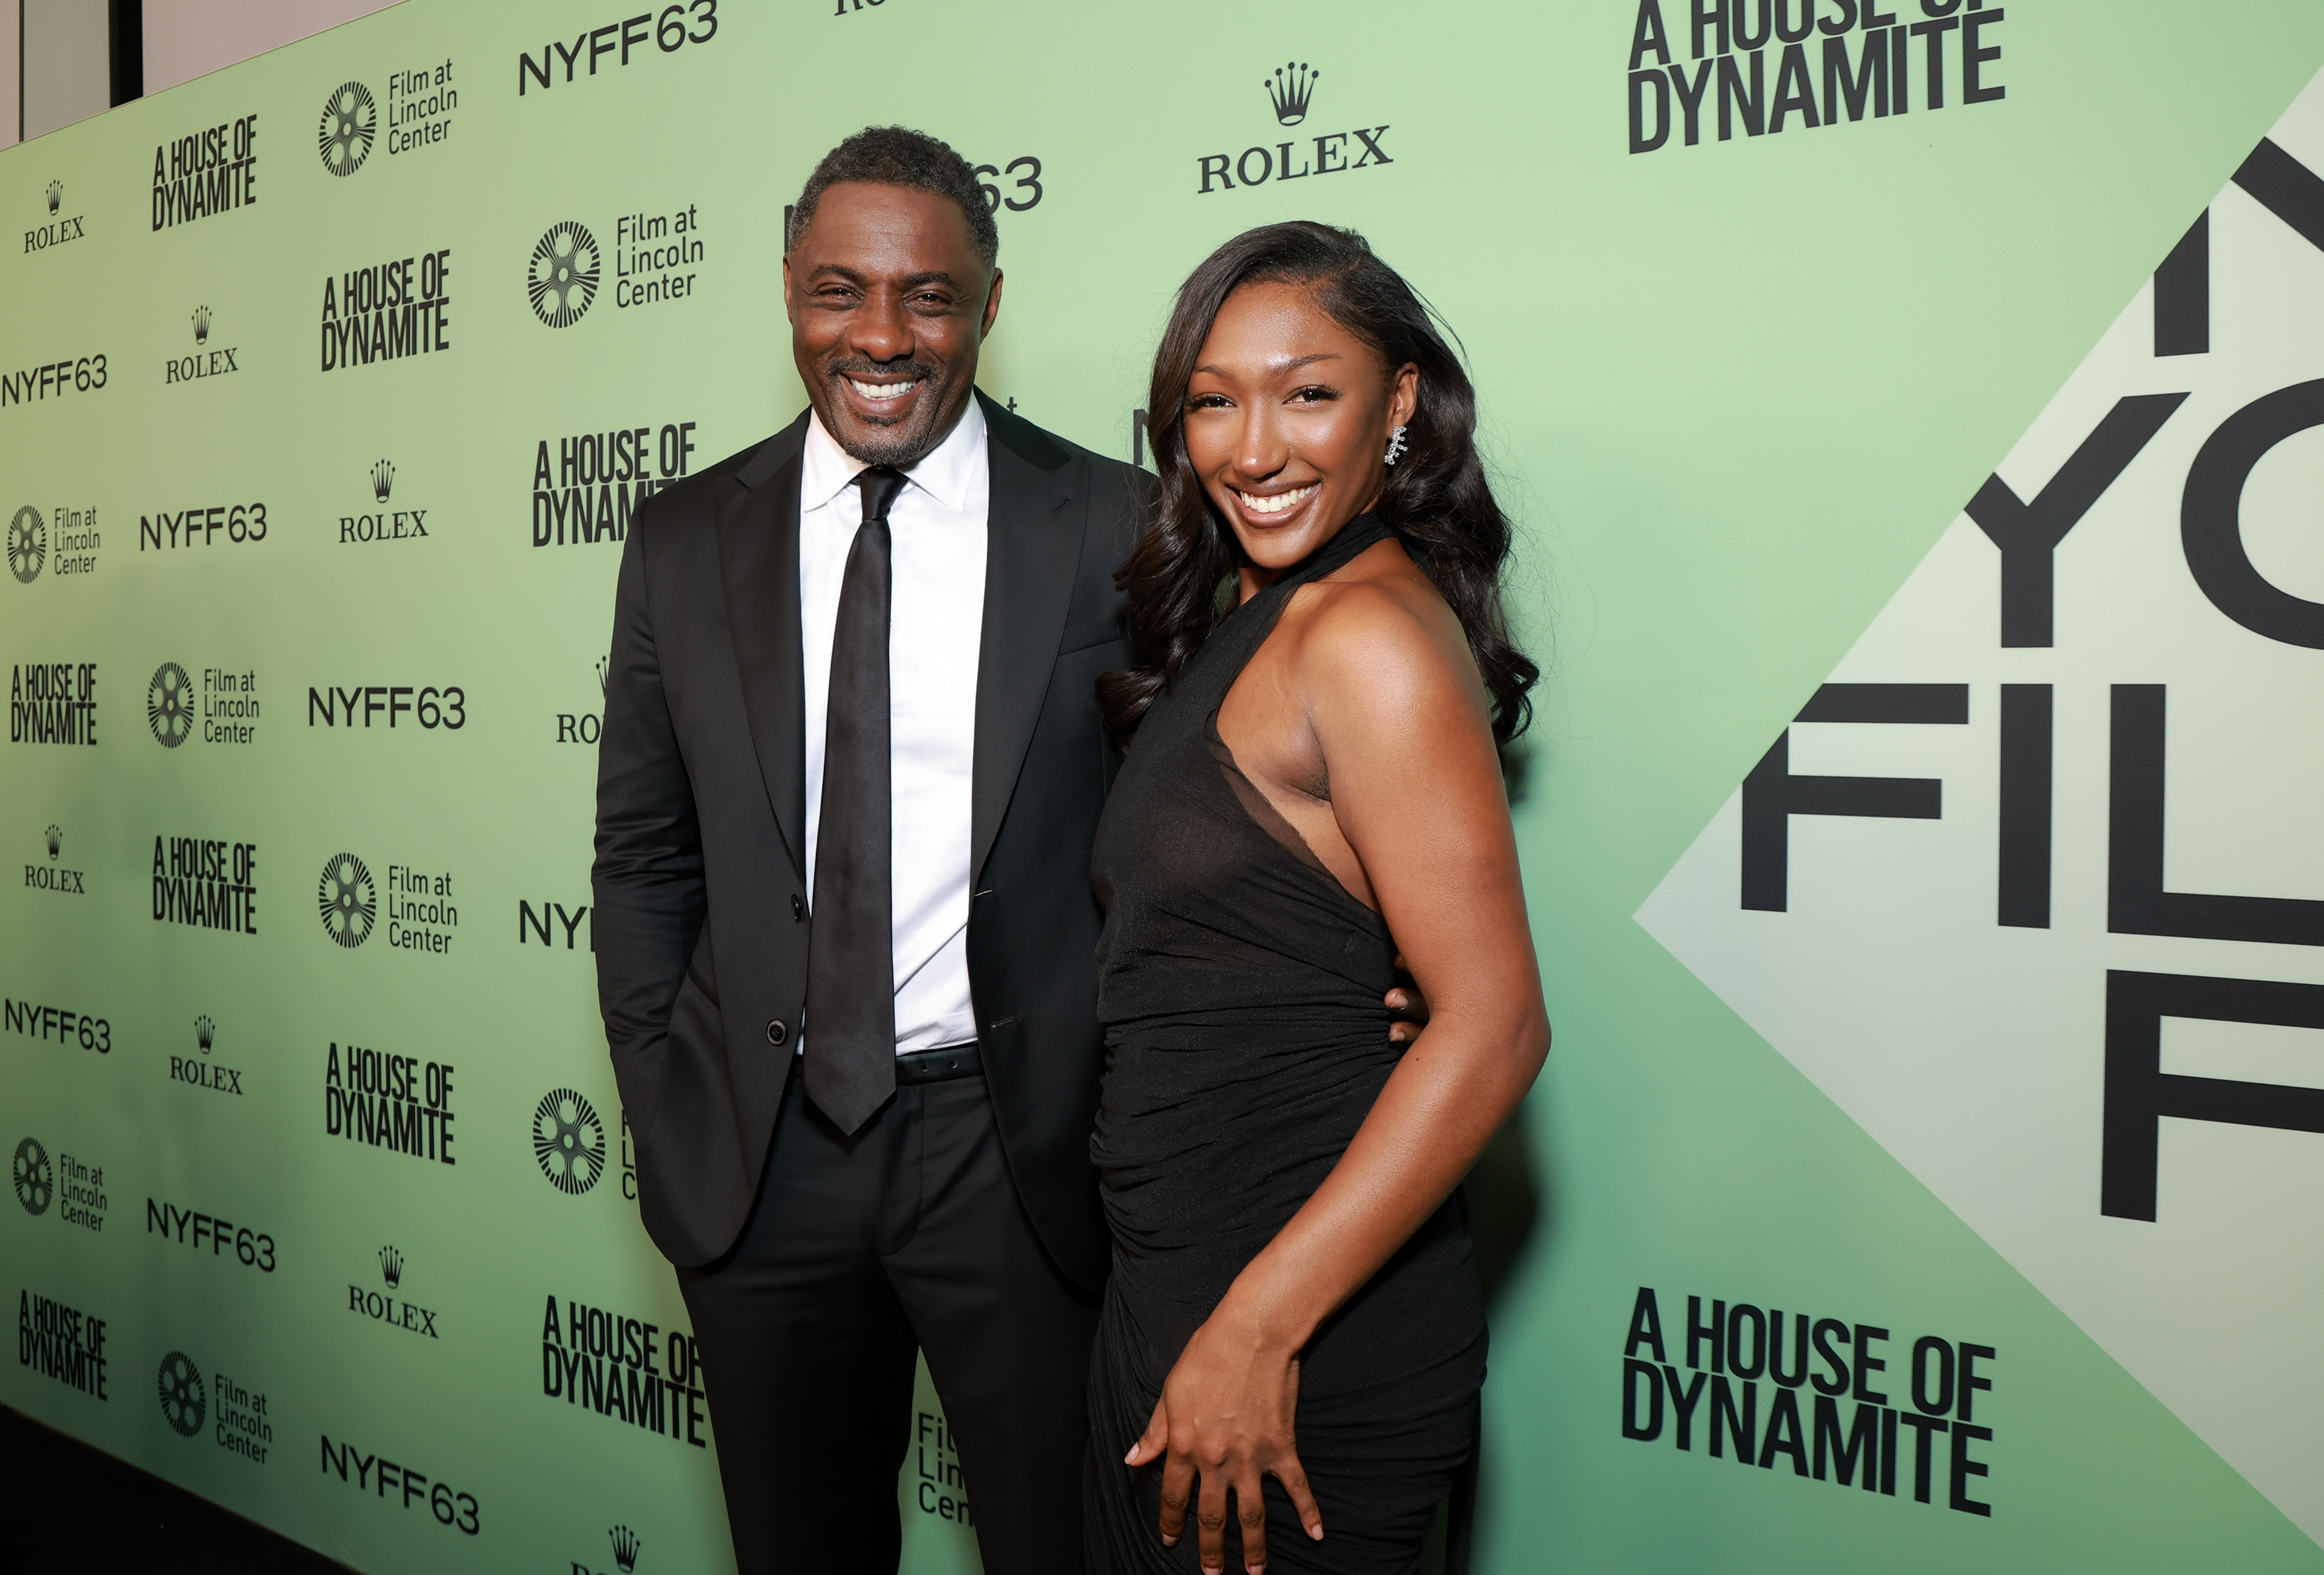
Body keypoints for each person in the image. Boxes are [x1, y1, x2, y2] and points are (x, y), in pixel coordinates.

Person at [592, 131, 1432, 1574]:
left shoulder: (1125, 525)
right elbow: (644, 857)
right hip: (757, 1159)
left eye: (928, 296)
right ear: (788, 290)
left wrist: (1369, 967)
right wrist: (667, 1092)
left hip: (1026, 1154)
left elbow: (1230, 799)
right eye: (839, 290)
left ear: (989, 303)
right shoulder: (680, 538)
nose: (880, 335)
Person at [1086, 222, 1552, 1575]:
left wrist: (1257, 1330)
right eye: (1214, 402)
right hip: (1179, 1290)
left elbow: (1496, 1025)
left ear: (1398, 403)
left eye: (1307, 394)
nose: (1254, 450)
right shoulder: (1261, 610)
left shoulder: (1361, 637)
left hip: (1293, 1341)